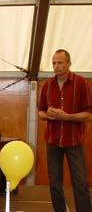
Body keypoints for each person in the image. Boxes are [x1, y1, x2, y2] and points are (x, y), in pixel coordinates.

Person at [38, 49, 92, 212]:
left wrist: (66, 116)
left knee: (80, 183)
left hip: (74, 141)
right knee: (54, 183)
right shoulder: (47, 85)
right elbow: (40, 111)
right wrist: (48, 116)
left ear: (69, 63)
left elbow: (88, 114)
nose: (56, 66)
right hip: (52, 141)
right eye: (54, 62)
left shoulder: (81, 83)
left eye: (60, 62)